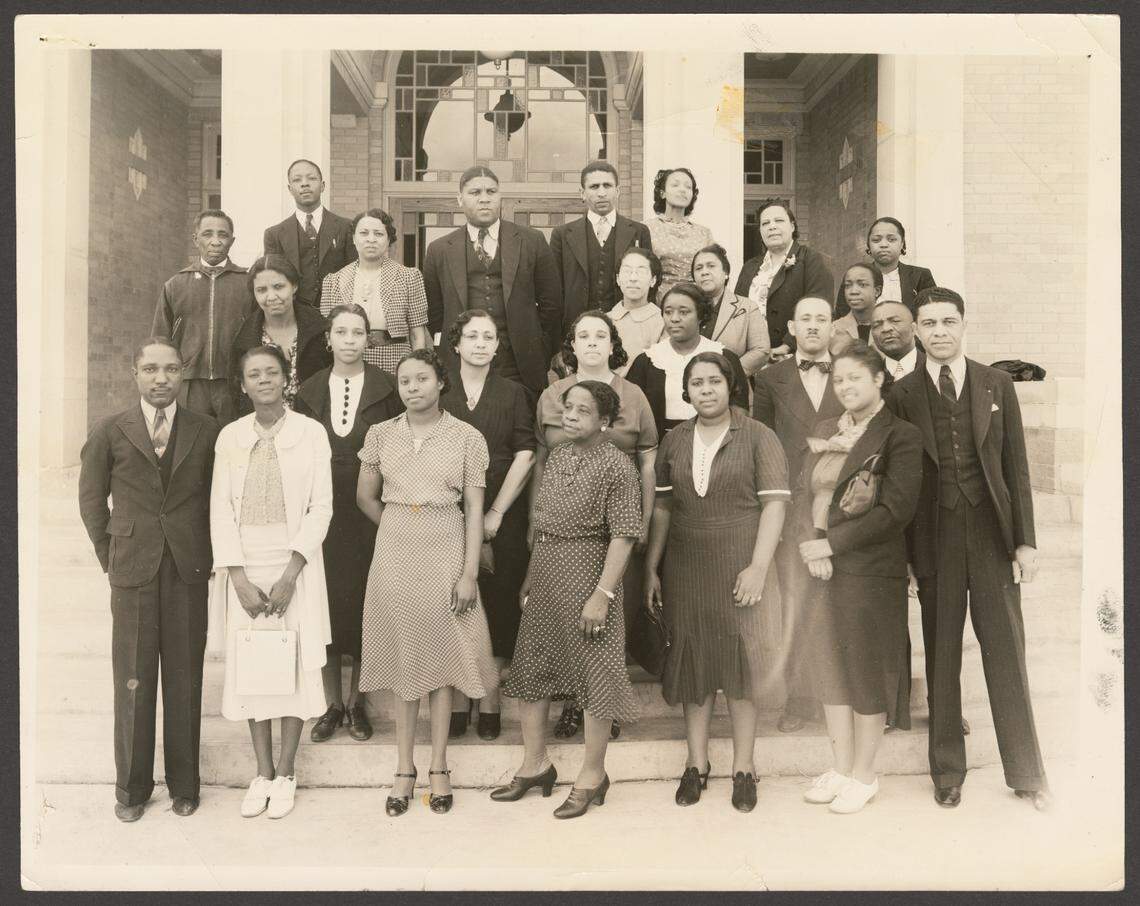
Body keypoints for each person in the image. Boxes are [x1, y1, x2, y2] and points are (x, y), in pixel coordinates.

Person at [886, 287, 1049, 811]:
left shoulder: (996, 382)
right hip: (933, 537)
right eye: (928, 323)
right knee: (942, 654)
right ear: (916, 330)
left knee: (1007, 651)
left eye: (948, 322)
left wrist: (1024, 541)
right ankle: (947, 772)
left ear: (963, 324)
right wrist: (907, 557)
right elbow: (901, 480)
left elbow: (1016, 467)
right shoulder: (903, 393)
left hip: (989, 533)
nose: (938, 332)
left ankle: (1026, 773)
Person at [78, 338, 219, 822]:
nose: (162, 378)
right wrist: (111, 555)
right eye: (151, 369)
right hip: (132, 569)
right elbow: (92, 502)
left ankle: (185, 785)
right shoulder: (109, 430)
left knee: (185, 678)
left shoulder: (205, 430)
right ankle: (132, 789)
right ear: (134, 372)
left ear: (183, 375)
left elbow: (215, 500)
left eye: (172, 369)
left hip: (186, 567)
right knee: (133, 681)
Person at [645, 352, 789, 812]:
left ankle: (744, 768)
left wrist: (759, 567)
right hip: (687, 564)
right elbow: (664, 508)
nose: (706, 390)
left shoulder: (758, 436)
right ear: (685, 391)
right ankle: (696, 763)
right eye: (697, 383)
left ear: (731, 387)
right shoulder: (675, 440)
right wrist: (652, 566)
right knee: (693, 666)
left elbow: (775, 506)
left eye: (714, 382)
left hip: (740, 563)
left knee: (741, 666)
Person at [355, 349, 498, 816]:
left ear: (441, 382)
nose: (412, 387)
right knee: (404, 659)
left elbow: (475, 509)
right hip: (394, 551)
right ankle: (403, 769)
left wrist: (469, 571)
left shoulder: (467, 438)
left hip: (446, 550)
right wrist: (400, 525)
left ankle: (438, 766)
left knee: (441, 660)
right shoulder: (380, 434)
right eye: (404, 380)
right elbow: (364, 496)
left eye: (422, 378)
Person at [495, 381, 643, 819]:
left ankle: (592, 776)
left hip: (590, 580)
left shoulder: (618, 467)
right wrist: (529, 576)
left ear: (605, 421)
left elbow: (623, 536)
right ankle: (536, 764)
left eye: (584, 410)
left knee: (596, 678)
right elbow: (543, 524)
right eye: (568, 407)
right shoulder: (558, 456)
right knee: (532, 668)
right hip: (545, 575)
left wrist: (601, 595)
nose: (572, 416)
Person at [795, 342, 923, 813]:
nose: (845, 386)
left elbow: (896, 511)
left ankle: (865, 775)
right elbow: (809, 494)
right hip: (821, 565)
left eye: (855, 377)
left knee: (866, 668)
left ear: (879, 380)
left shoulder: (900, 436)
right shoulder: (826, 430)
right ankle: (842, 766)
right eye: (839, 379)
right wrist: (814, 546)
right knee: (830, 667)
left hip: (871, 570)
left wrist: (833, 544)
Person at [207, 345, 333, 820]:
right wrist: (235, 576)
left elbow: (321, 506)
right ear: (242, 385)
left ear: (286, 379)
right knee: (253, 671)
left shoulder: (311, 433)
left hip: (294, 564)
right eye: (254, 374)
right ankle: (261, 773)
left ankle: (286, 773)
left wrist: (291, 572)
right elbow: (221, 508)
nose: (263, 380)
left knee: (296, 667)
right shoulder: (230, 437)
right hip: (245, 565)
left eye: (272, 373)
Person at [532, 310, 658, 740]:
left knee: (606, 612)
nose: (590, 343)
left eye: (599, 335)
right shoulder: (553, 394)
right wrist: (537, 520)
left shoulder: (634, 394)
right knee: (568, 616)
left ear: (612, 344)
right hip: (566, 514)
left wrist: (641, 519)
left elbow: (646, 459)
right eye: (581, 335)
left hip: (615, 513)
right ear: (572, 345)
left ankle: (607, 702)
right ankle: (575, 701)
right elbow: (542, 458)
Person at [293, 304, 405, 745]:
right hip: (321, 507)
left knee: (363, 602)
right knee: (324, 601)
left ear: (368, 339)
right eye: (341, 331)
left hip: (366, 507)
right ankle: (329, 704)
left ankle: (357, 701)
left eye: (358, 332)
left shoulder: (386, 388)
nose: (350, 340)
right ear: (329, 338)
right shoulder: (310, 390)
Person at [440, 310, 536, 741]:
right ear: (456, 344)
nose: (480, 343)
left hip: (503, 513)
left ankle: (492, 695)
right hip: (445, 513)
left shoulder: (513, 393)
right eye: (472, 336)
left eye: (489, 337)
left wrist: (496, 512)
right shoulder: (441, 390)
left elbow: (525, 452)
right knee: (455, 603)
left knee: (496, 603)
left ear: (498, 346)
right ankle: (461, 694)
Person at [752, 296, 844, 733]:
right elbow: (766, 445)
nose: (812, 326)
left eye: (821, 319)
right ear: (790, 327)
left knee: (840, 598)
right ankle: (800, 699)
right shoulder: (770, 378)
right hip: (793, 504)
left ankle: (842, 696)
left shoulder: (850, 370)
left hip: (842, 503)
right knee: (796, 600)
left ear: (832, 328)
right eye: (804, 318)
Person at [423, 165, 562, 401]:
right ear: (460, 199)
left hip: (520, 364)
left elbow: (552, 304)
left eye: (491, 192)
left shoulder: (532, 241)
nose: (484, 199)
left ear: (500, 197)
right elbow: (435, 312)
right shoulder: (439, 250)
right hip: (461, 365)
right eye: (475, 192)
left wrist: (538, 348)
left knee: (520, 432)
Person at [152, 210, 254, 424]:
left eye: (223, 235)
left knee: (234, 446)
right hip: (189, 383)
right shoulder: (176, 285)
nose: (215, 241)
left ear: (232, 241)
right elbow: (160, 341)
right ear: (195, 239)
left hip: (233, 383)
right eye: (207, 234)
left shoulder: (247, 283)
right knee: (193, 447)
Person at [625, 283, 750, 440]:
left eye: (684, 312)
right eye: (668, 312)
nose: (674, 319)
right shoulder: (647, 361)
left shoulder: (724, 357)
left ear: (701, 315)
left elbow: (740, 413)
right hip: (660, 447)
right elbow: (630, 416)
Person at [318, 208, 430, 374]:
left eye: (378, 234)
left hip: (396, 361)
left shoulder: (409, 277)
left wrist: (416, 368)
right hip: (349, 361)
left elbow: (417, 333)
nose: (371, 239)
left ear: (389, 239)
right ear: (354, 239)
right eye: (364, 233)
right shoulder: (333, 281)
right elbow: (327, 334)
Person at [550, 159, 653, 334]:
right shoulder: (562, 235)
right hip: (577, 330)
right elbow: (553, 290)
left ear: (618, 191)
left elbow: (649, 284)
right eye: (594, 187)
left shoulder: (639, 232)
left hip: (628, 328)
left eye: (607, 186)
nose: (602, 193)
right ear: (582, 193)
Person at [232, 255, 331, 412]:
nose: (271, 297)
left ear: (294, 286)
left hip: (313, 426)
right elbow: (237, 396)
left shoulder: (320, 331)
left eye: (278, 287)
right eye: (261, 290)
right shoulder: (244, 341)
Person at [734, 200, 834, 356]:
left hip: (792, 353)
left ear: (792, 226)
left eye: (779, 220)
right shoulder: (749, 267)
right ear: (760, 230)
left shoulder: (811, 260)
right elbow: (738, 311)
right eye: (765, 223)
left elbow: (819, 307)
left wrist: (787, 346)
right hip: (751, 354)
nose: (772, 226)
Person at [262, 159, 357, 310]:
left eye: (311, 178)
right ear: (290, 189)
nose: (304, 184)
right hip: (294, 315)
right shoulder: (274, 234)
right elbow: (272, 280)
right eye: (297, 180)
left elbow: (355, 275)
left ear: (323, 186)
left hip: (337, 315)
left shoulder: (347, 227)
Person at [691, 243, 770, 376]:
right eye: (698, 268)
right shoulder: (685, 308)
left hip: (734, 387)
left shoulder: (747, 307)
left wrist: (728, 376)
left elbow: (761, 350)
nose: (704, 272)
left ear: (725, 273)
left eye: (711, 266)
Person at [836, 217, 936, 318]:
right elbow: (842, 317)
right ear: (869, 246)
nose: (883, 245)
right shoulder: (854, 276)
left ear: (902, 244)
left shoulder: (920, 276)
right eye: (876, 240)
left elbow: (933, 315)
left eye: (891, 239)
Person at [646, 167, 714, 301]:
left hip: (696, 301)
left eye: (688, 187)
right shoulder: (646, 228)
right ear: (662, 193)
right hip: (658, 301)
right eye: (675, 185)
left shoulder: (704, 233)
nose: (682, 189)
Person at [608, 247, 665, 376]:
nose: (633, 278)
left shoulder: (662, 322)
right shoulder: (605, 320)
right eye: (627, 271)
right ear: (618, 279)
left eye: (641, 271)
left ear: (653, 280)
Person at [871, 298, 925, 388]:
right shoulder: (869, 379)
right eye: (877, 325)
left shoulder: (939, 370)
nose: (886, 329)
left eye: (895, 321)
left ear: (914, 328)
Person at [831, 263, 883, 350]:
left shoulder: (889, 328)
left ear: (877, 291)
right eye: (848, 285)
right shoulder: (833, 331)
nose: (853, 291)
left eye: (862, 285)